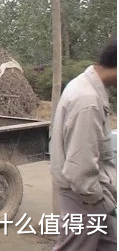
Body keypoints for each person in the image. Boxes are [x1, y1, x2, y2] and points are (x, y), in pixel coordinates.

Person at [50, 37, 117, 250]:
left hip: (90, 195)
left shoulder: (84, 85)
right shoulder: (87, 101)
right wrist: (97, 197)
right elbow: (80, 166)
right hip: (84, 198)